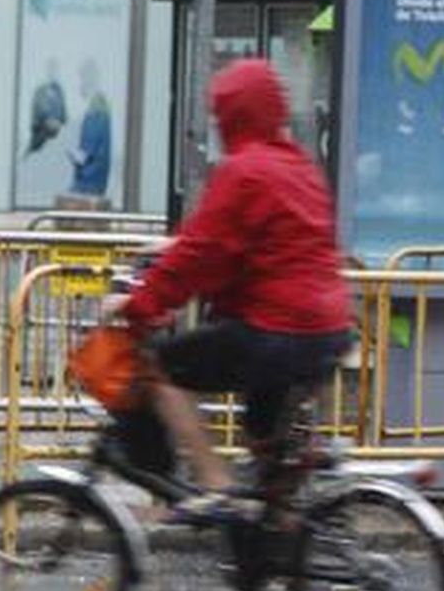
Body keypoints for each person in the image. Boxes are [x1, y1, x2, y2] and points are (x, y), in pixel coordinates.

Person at [112, 59, 353, 522]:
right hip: (327, 329)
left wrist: (141, 303)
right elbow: (259, 239)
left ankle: (215, 483)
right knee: (265, 435)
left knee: (163, 368)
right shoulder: (299, 167)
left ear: (230, 116)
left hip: (278, 331)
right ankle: (282, 546)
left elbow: (202, 254)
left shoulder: (244, 170)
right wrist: (177, 245)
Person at [67, 58, 111, 198]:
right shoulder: (99, 106)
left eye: (81, 79)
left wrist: (74, 155)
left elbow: (88, 152)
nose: (79, 84)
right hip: (93, 180)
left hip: (88, 181)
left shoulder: (96, 109)